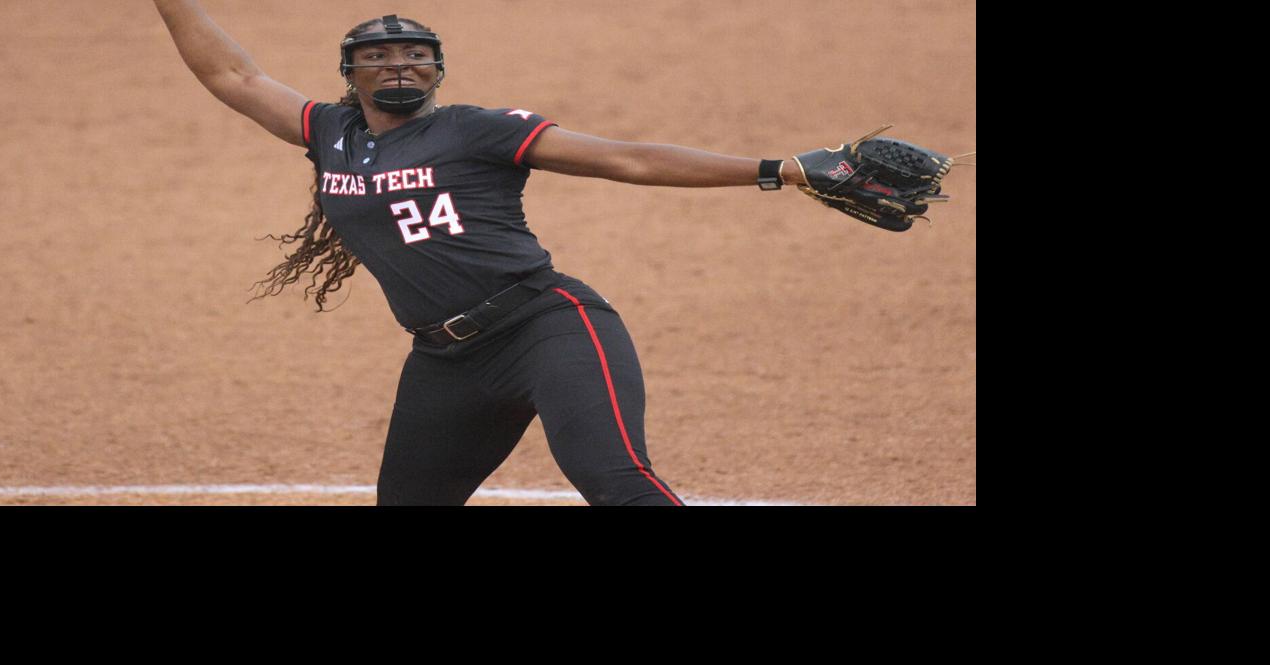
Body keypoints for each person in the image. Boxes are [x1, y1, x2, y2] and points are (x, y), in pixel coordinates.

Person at [152, 2, 817, 506]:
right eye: (379, 57)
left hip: (546, 327)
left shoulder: (473, 130)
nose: (399, 64)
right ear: (349, 74)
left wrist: (775, 169)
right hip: (446, 361)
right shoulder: (329, 132)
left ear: (438, 68)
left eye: (416, 54)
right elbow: (231, 74)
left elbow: (627, 158)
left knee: (613, 480)